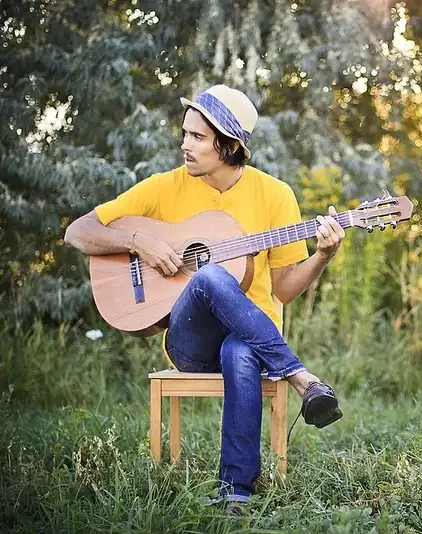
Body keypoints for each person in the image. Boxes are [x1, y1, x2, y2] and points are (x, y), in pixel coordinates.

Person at [64, 84, 345, 508]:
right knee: (213, 276)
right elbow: (78, 232)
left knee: (242, 352)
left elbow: (284, 290)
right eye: (185, 133)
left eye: (197, 137)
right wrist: (139, 241)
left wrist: (322, 256)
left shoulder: (275, 195)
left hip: (250, 339)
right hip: (190, 341)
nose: (184, 145)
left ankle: (236, 494)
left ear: (229, 146)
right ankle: (300, 377)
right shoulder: (164, 187)